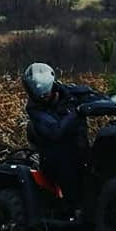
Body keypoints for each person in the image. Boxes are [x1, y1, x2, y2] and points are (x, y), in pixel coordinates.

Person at [22, 62, 89, 207]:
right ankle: (75, 211)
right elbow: (55, 131)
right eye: (38, 92)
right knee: (69, 174)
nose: (44, 95)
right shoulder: (35, 110)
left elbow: (99, 98)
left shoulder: (70, 93)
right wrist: (77, 112)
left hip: (82, 151)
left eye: (46, 90)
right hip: (56, 160)